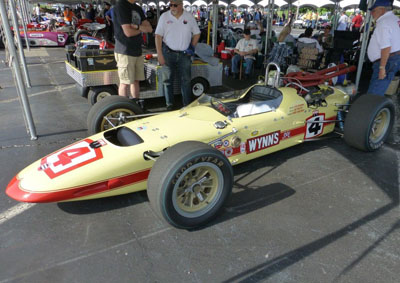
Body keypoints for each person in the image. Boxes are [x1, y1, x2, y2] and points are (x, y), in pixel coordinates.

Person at [155, 0, 200, 110]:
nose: (172, 7)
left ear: (181, 5)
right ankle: (169, 105)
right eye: (170, 5)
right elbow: (158, 36)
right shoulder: (164, 16)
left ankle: (187, 105)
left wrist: (191, 48)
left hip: (185, 55)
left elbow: (197, 33)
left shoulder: (189, 16)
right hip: (168, 53)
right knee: (167, 81)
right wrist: (159, 54)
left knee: (186, 80)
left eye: (175, 5)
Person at [113, 0, 153, 100]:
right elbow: (128, 32)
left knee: (136, 80)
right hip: (125, 51)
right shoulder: (121, 6)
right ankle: (124, 108)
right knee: (125, 82)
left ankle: (136, 103)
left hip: (137, 50)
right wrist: (141, 29)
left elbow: (149, 28)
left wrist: (137, 27)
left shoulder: (137, 8)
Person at [367, 0, 400, 96]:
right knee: (378, 89)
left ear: (382, 10)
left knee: (374, 93)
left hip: (387, 60)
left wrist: (382, 68)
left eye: (373, 10)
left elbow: (386, 47)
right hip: (392, 58)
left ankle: (369, 110)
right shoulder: (394, 19)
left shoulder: (384, 22)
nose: (371, 13)